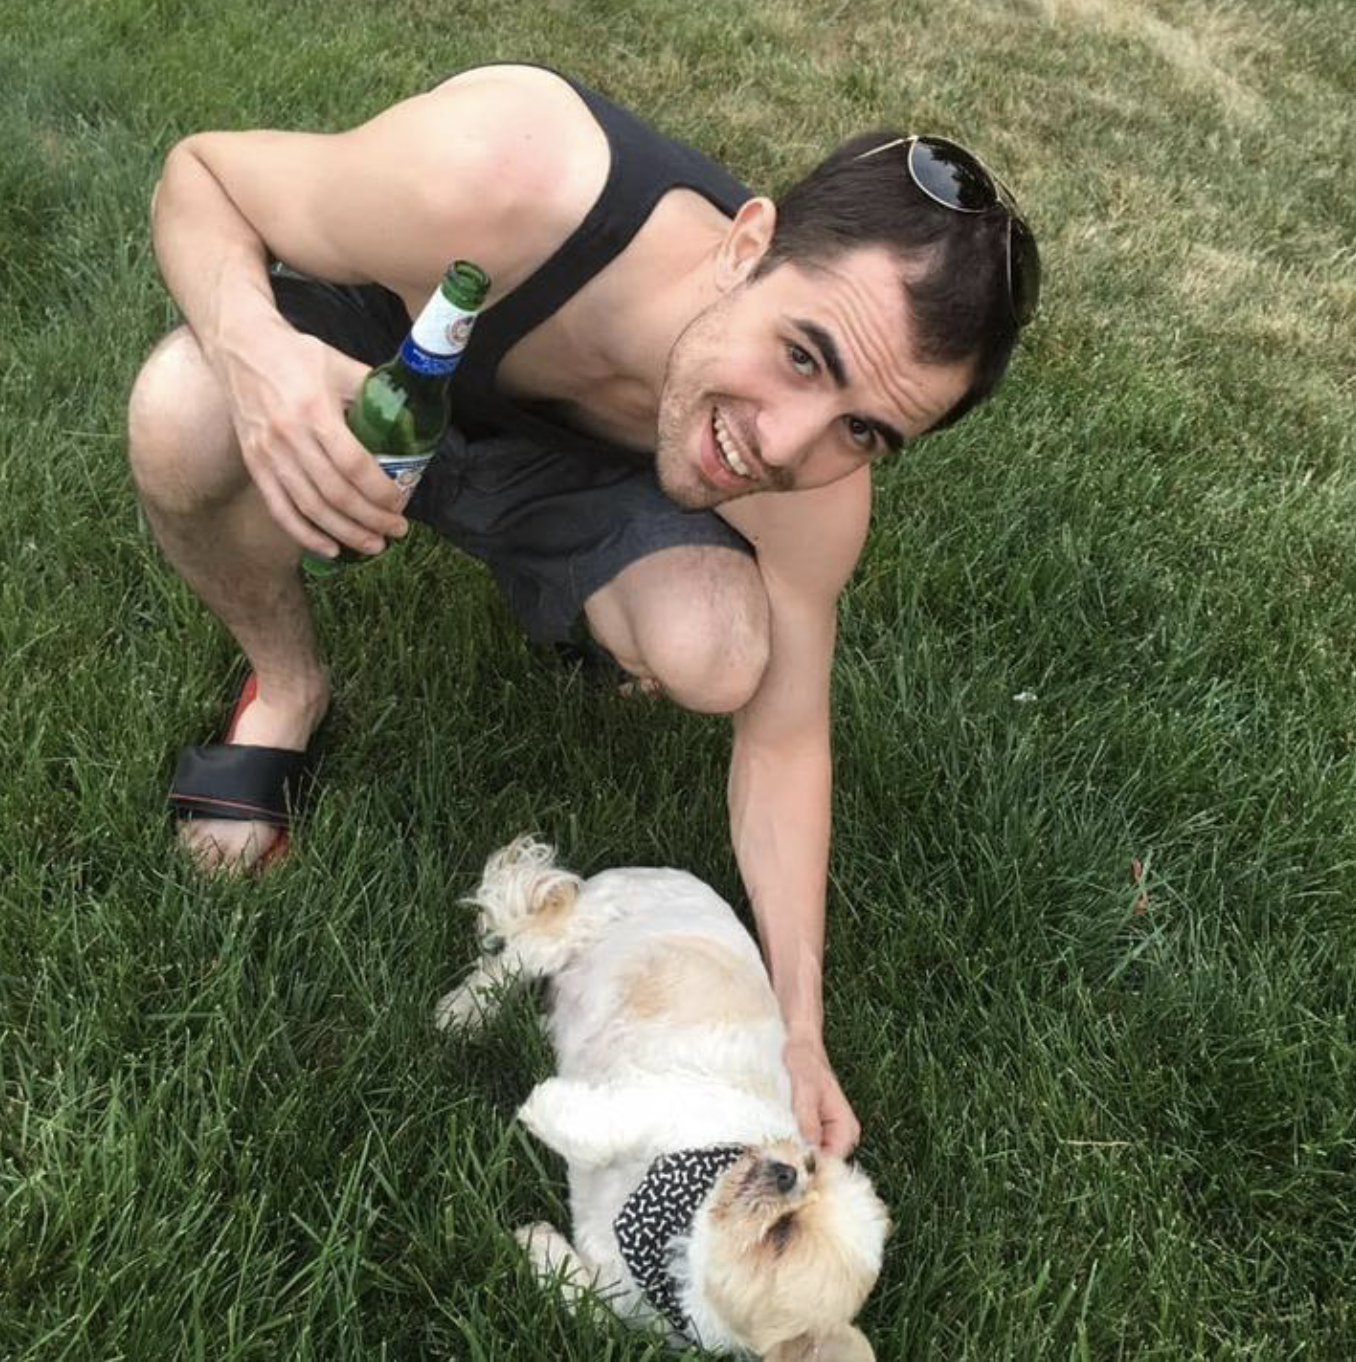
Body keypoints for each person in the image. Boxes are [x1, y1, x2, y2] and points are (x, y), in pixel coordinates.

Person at [126, 62, 1040, 1157]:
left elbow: (787, 739)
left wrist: (799, 1031)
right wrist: (263, 364)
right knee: (181, 412)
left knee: (720, 650)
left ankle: (583, 607)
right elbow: (201, 178)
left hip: (574, 472)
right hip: (378, 370)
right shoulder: (505, 172)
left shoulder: (814, 485)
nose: (787, 445)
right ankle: (287, 684)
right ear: (747, 244)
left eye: (863, 431)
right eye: (803, 355)